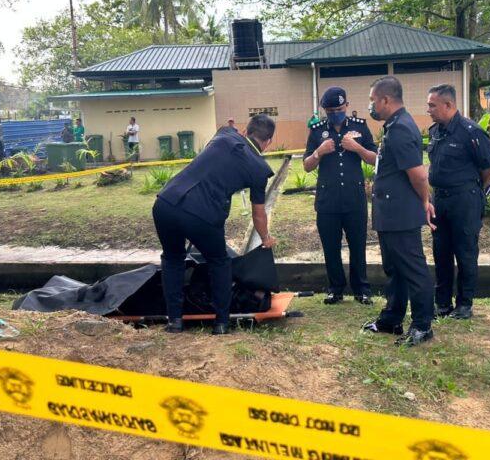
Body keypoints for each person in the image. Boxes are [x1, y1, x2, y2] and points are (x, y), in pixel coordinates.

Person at [152, 114, 277, 335]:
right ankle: (221, 323)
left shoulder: (225, 134)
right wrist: (266, 238)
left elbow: (224, 129)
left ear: (245, 131)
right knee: (219, 262)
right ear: (268, 142)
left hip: (166, 204)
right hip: (202, 214)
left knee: (172, 260)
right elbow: (258, 214)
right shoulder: (259, 169)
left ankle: (174, 322)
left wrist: (230, 127)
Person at [362, 76, 435, 347]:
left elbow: (418, 175)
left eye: (372, 100)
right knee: (395, 270)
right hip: (390, 213)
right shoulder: (393, 126)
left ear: (385, 100)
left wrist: (425, 202)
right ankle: (391, 318)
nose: (371, 106)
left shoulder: (402, 128)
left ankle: (422, 325)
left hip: (401, 213)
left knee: (413, 270)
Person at [426, 84, 490, 320]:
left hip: (464, 201)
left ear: (448, 105)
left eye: (432, 105)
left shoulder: (471, 132)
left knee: (465, 253)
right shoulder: (435, 131)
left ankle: (464, 304)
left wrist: (474, 192)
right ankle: (443, 303)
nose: (428, 109)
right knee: (441, 252)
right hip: (441, 200)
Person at [304, 86, 378, 305]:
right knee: (331, 247)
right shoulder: (317, 131)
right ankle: (335, 289)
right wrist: (319, 152)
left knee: (358, 245)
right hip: (328, 201)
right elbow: (307, 166)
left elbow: (375, 159)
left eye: (339, 108)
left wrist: (357, 148)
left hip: (354, 199)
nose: (335, 112)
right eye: (330, 110)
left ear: (347, 105)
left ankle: (361, 289)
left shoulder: (360, 127)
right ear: (325, 111)